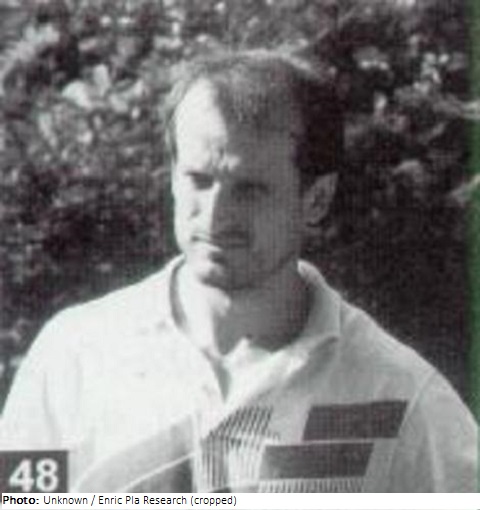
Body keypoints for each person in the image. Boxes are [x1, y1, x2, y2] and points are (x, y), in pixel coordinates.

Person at [1, 50, 477, 493]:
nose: (214, 216)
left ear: (317, 199)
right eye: (198, 180)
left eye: (249, 190)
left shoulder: (402, 398)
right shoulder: (74, 358)